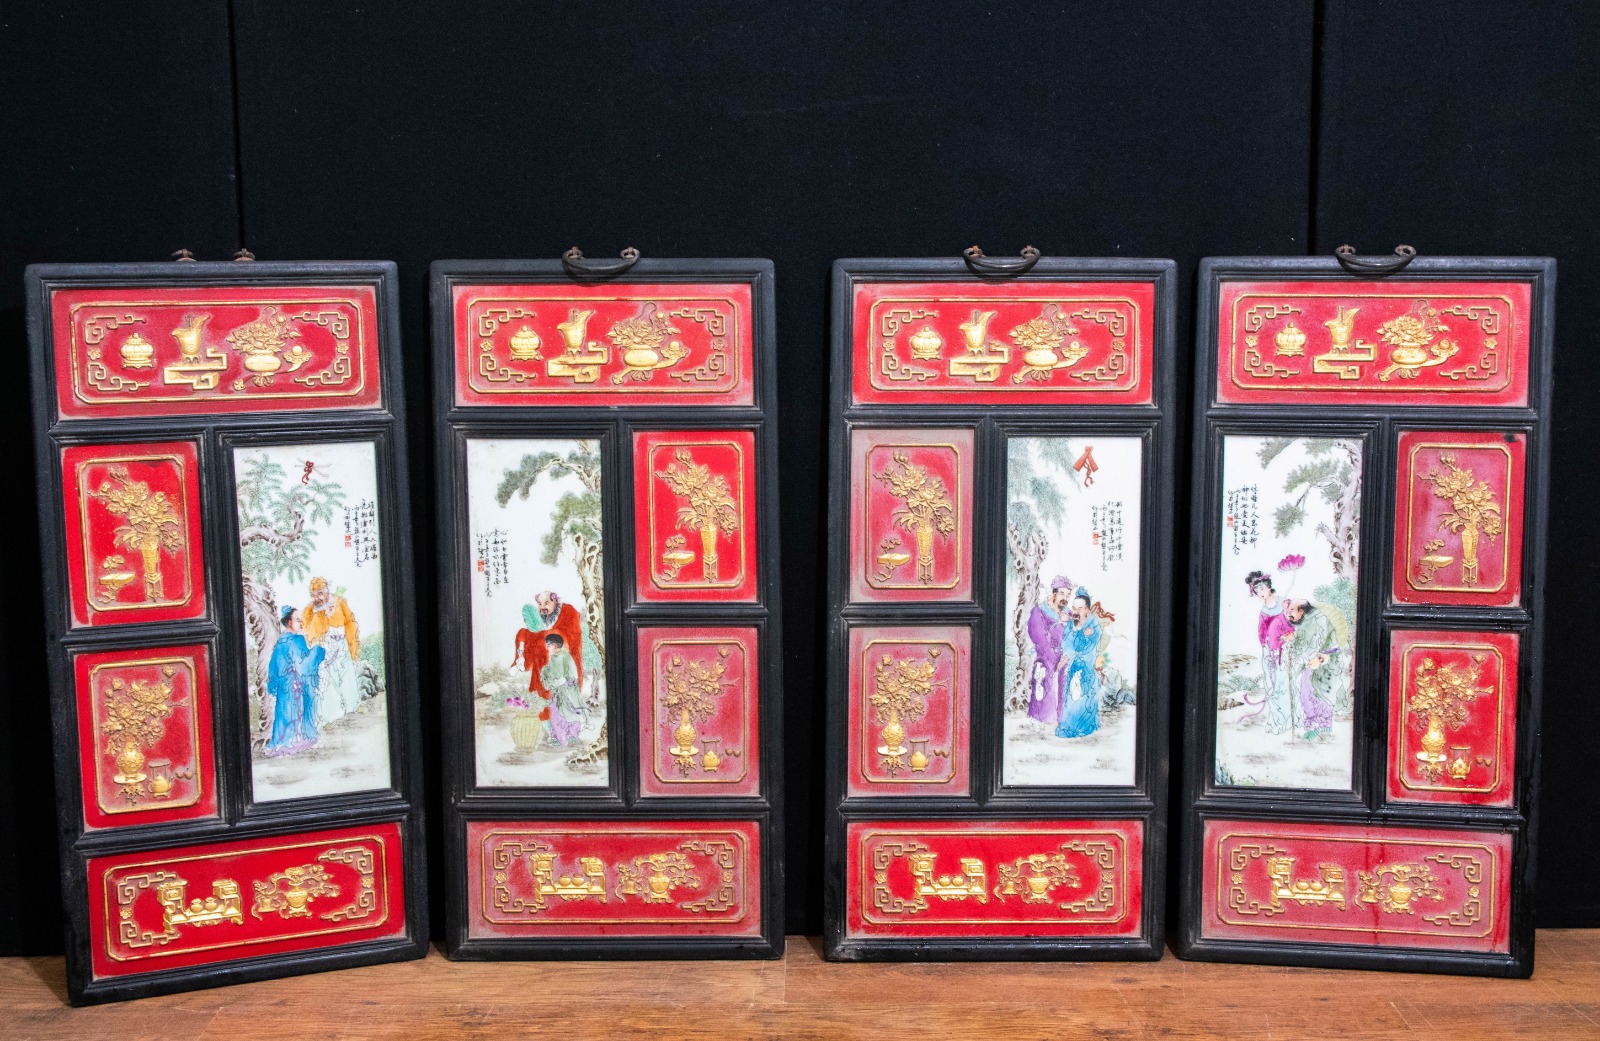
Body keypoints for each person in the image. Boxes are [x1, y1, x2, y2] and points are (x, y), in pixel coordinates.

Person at [265, 606, 325, 756]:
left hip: (297, 683)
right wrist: (317, 651)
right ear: (289, 622)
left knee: (299, 710)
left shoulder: (297, 639)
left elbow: (302, 662)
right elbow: (301, 665)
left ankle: (299, 738)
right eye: (298, 620)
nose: (301, 623)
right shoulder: (286, 641)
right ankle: (285, 742)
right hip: (289, 683)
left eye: (302, 620)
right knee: (288, 712)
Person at [304, 576, 364, 725]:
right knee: (329, 681)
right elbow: (308, 630)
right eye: (313, 595)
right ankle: (333, 714)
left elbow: (350, 622)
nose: (316, 598)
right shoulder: (311, 610)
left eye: (320, 594)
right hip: (325, 649)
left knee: (347, 676)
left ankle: (351, 707)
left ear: (327, 592)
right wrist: (319, 616)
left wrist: (353, 645)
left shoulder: (340, 602)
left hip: (342, 646)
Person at [512, 590, 586, 702]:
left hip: (561, 657)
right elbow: (534, 634)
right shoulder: (540, 618)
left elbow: (571, 636)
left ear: (555, 601)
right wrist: (524, 640)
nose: (542, 607)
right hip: (545, 659)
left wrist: (548, 635)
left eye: (546, 603)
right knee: (524, 634)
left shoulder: (567, 611)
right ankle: (521, 663)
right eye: (539, 604)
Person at [1247, 570, 1294, 734]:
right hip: (1268, 652)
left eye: (1262, 588)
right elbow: (1261, 634)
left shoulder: (1285, 604)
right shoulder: (1263, 612)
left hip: (1284, 650)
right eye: (1256, 591)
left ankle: (1284, 721)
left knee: (1282, 685)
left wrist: (1287, 638)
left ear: (1268, 587)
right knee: (1270, 685)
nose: (1260, 593)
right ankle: (1274, 718)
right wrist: (1267, 647)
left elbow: (1294, 626)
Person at [1284, 598, 1340, 739]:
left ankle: (1320, 726)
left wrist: (1295, 646)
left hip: (1324, 663)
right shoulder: (1308, 620)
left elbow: (1311, 646)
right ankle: (1320, 725)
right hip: (1315, 662)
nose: (1288, 614)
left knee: (1313, 694)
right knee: (1307, 693)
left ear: (1302, 611)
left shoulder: (1315, 621)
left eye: (1292, 610)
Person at [1056, 587, 1103, 739]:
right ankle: (1069, 726)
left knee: (1082, 698)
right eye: (1074, 608)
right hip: (1074, 666)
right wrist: (1079, 633)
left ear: (1087, 610)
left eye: (1080, 609)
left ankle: (1084, 727)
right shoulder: (1072, 624)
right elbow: (1067, 644)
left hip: (1087, 667)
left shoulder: (1094, 626)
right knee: (1071, 697)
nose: (1075, 612)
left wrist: (1080, 634)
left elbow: (1084, 647)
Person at [1026, 577, 1072, 727]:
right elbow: (1038, 635)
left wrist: (1066, 654)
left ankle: (1062, 718)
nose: (1065, 598)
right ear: (1054, 594)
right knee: (1044, 685)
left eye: (1068, 595)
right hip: (1045, 656)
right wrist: (1051, 656)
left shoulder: (1068, 613)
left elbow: (1073, 635)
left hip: (1064, 656)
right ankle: (1042, 719)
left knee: (1066, 685)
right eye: (1062, 594)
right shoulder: (1039, 611)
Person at [538, 632, 585, 746]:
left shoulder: (565, 656)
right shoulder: (552, 658)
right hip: (557, 693)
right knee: (555, 714)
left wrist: (561, 682)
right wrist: (545, 673)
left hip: (567, 693)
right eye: (547, 645)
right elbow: (550, 674)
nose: (547, 648)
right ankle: (558, 738)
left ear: (556, 645)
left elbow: (572, 674)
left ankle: (572, 737)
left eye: (549, 645)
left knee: (569, 714)